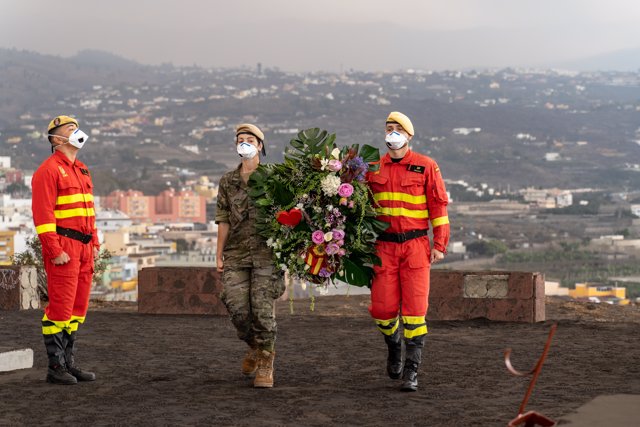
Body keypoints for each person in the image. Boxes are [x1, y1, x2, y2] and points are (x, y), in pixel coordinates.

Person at [366, 111, 450, 392]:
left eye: (397, 129)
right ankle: (393, 345)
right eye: (388, 128)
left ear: (409, 136)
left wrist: (439, 244)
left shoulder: (427, 166)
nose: (392, 133)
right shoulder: (372, 168)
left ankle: (412, 370)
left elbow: (438, 208)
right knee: (382, 309)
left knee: (415, 311)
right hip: (384, 246)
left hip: (415, 246)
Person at [215, 123, 285, 388]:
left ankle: (266, 363)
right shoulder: (228, 181)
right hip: (236, 253)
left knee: (262, 310)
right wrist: (219, 254)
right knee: (237, 309)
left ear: (260, 146)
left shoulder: (275, 177)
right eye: (239, 140)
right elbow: (223, 219)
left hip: (267, 254)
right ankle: (256, 347)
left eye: (249, 139)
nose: (243, 143)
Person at [32, 115, 99, 385]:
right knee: (60, 307)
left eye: (76, 128)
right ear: (56, 138)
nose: (77, 132)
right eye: (70, 129)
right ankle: (55, 366)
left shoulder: (81, 169)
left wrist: (94, 245)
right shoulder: (48, 170)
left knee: (77, 309)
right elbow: (43, 215)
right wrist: (54, 250)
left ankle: (69, 363)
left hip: (84, 248)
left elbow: (89, 214)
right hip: (65, 247)